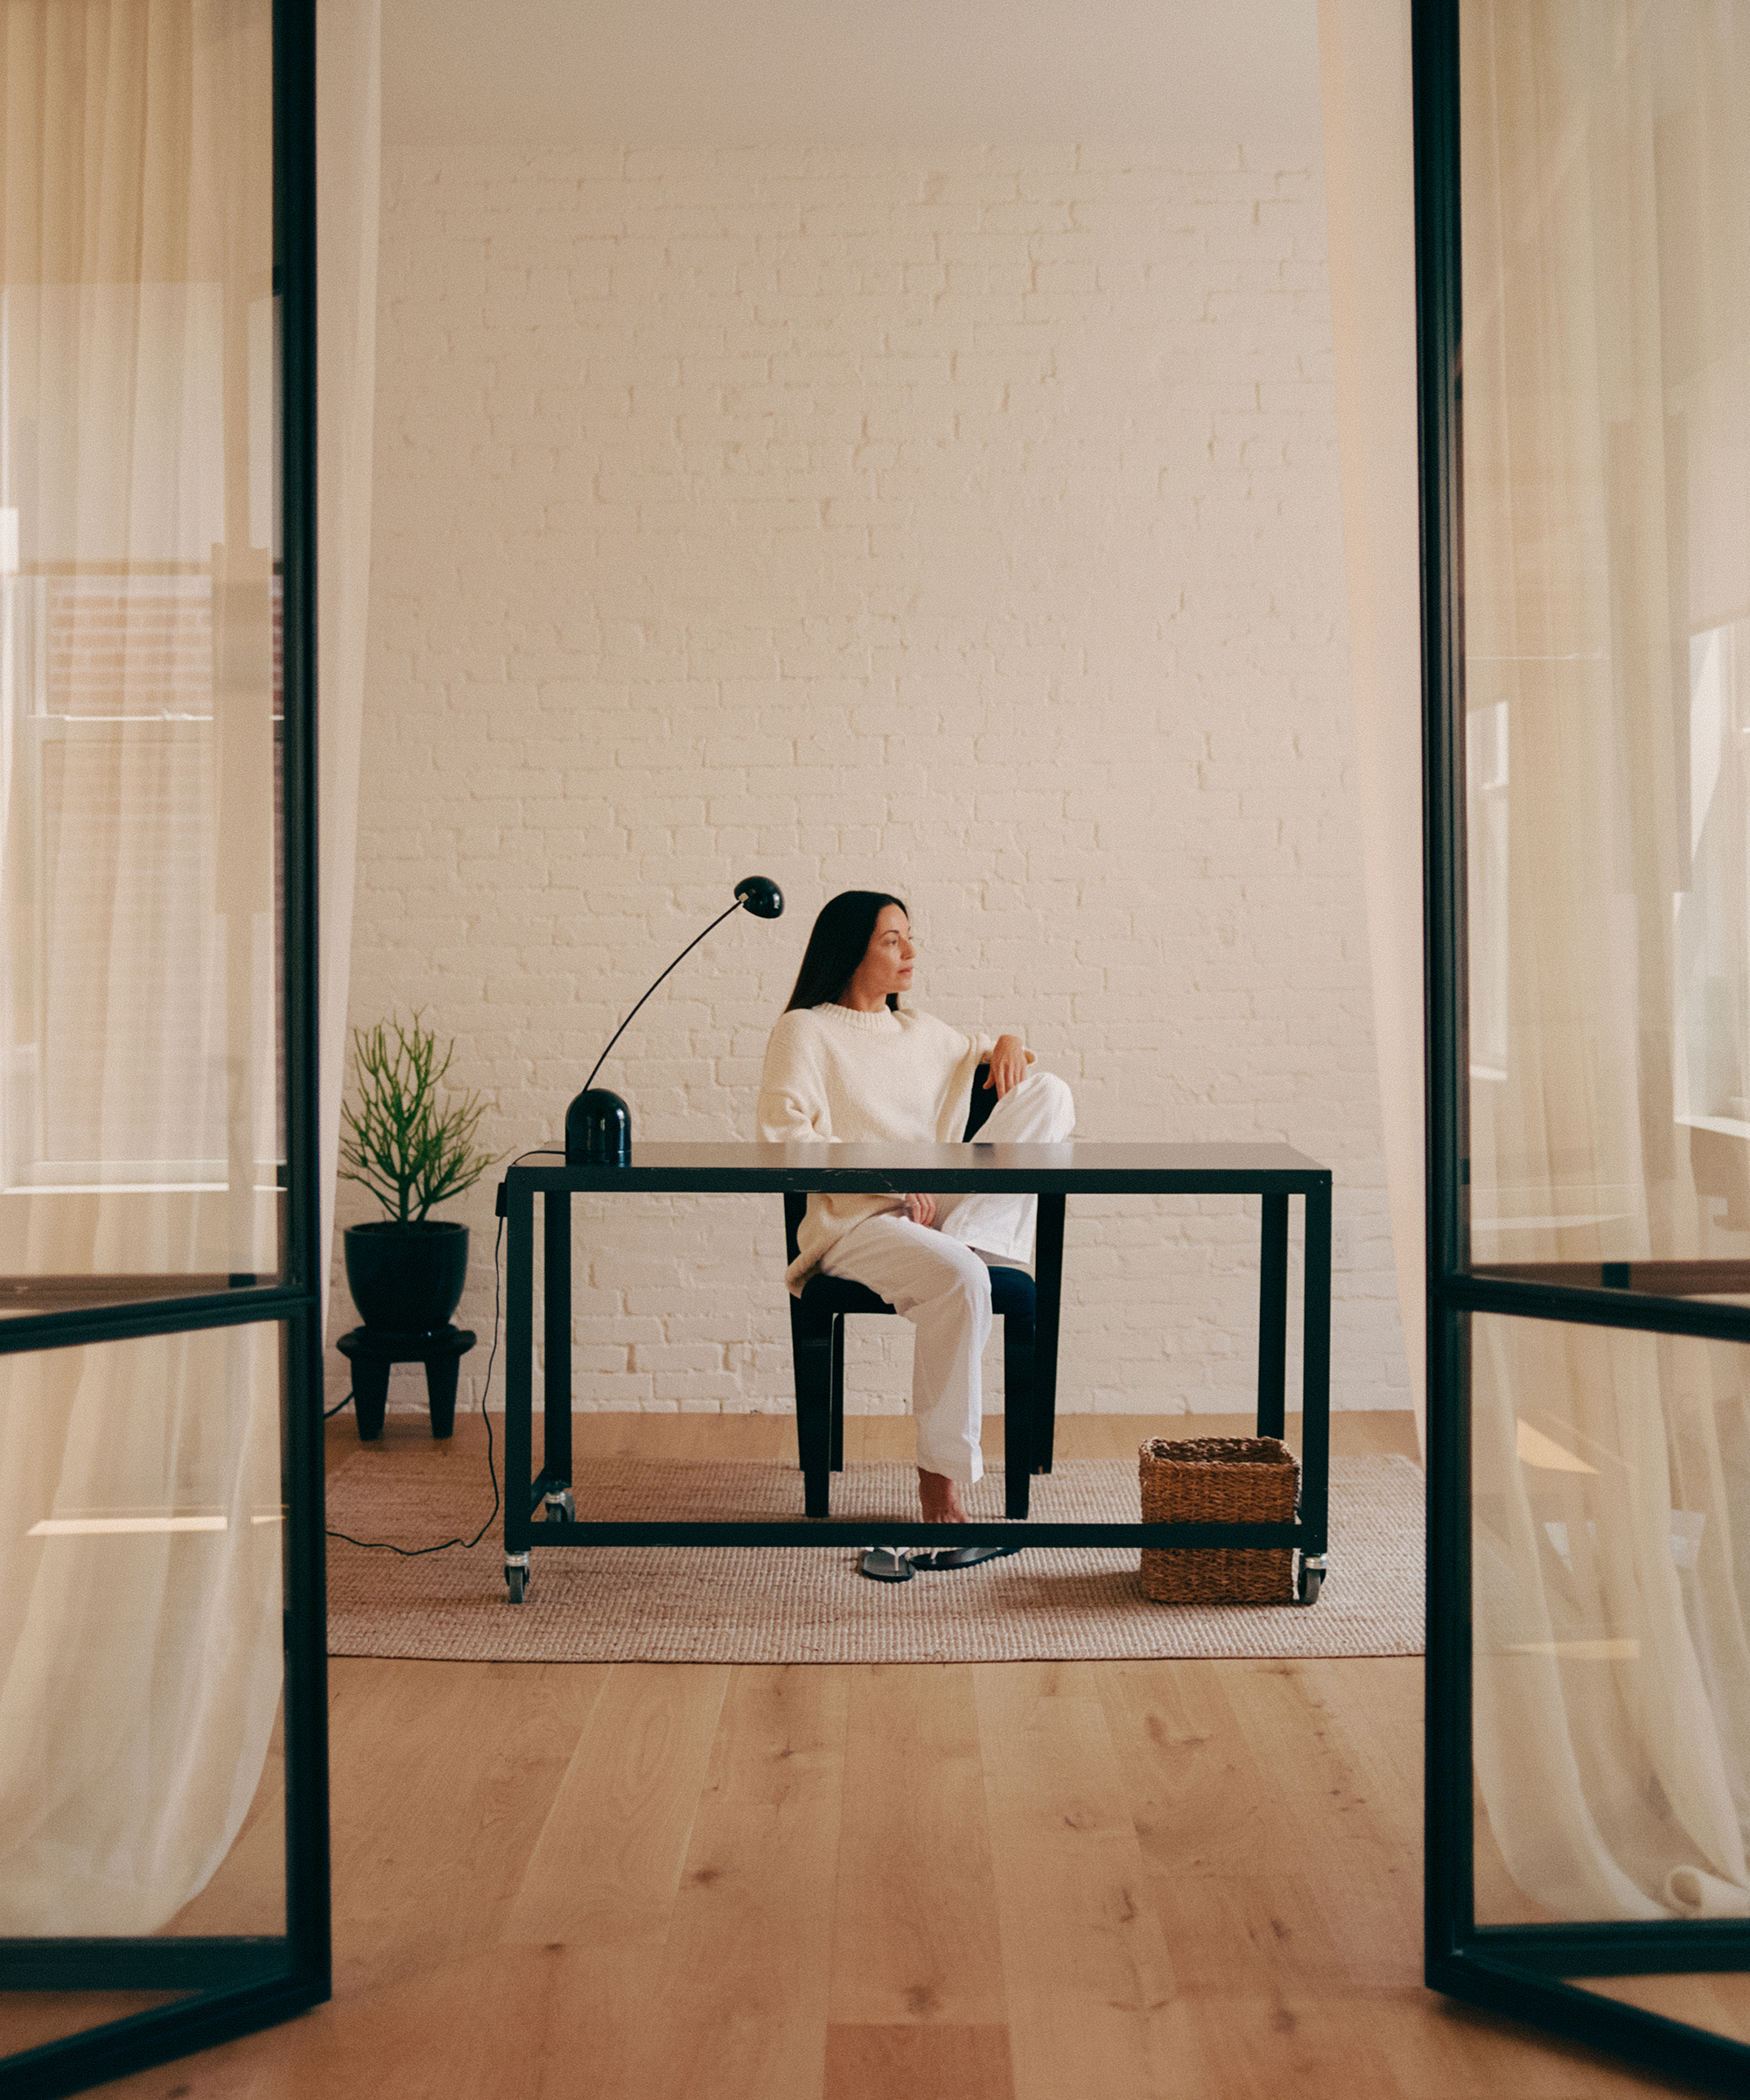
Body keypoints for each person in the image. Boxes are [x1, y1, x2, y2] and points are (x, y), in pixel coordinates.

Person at [756, 890, 1075, 1578]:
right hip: (856, 1222)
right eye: (892, 940)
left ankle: (972, 1239)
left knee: (1050, 1093)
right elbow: (785, 1139)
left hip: (938, 1218)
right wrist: (896, 1187)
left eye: (909, 937)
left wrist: (1013, 1042)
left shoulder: (924, 1032)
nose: (910, 952)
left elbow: (997, 1062)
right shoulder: (805, 1031)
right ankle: (940, 1492)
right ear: (851, 950)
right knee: (963, 1278)